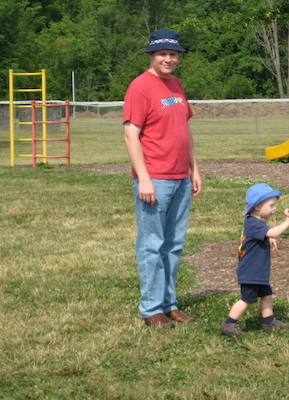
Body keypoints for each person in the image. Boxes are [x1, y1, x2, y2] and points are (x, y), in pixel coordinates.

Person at [123, 29, 202, 329]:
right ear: (151, 55)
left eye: (173, 54)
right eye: (163, 54)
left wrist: (195, 169)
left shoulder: (176, 85)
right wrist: (143, 178)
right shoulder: (140, 87)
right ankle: (151, 308)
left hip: (181, 177)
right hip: (155, 178)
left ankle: (170, 304)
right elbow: (131, 135)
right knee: (152, 245)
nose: (169, 59)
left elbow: (185, 130)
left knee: (173, 245)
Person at [220, 183, 289, 337]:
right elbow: (273, 231)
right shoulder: (254, 224)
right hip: (251, 272)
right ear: (259, 206)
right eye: (272, 205)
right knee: (247, 299)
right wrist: (286, 222)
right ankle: (228, 323)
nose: (274, 208)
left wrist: (269, 238)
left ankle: (269, 322)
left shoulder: (255, 223)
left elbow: (266, 234)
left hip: (257, 271)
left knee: (266, 295)